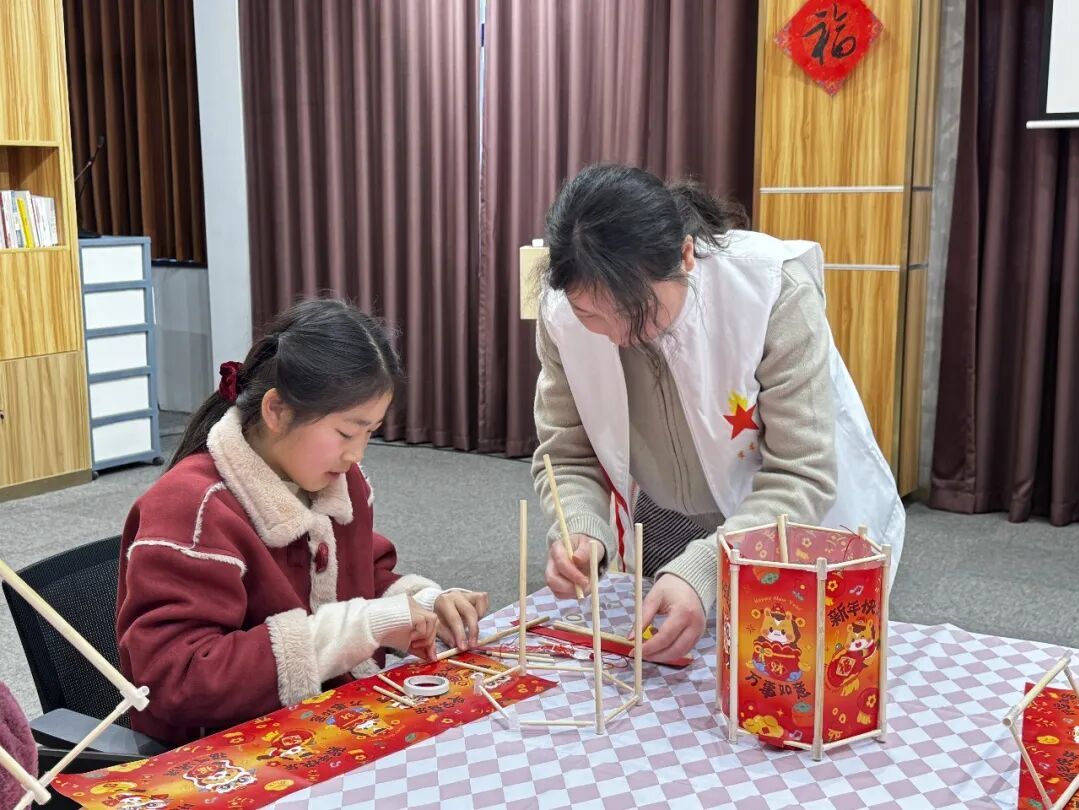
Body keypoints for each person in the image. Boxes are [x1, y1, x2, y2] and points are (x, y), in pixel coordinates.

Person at [532, 164, 904, 663]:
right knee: (676, 677)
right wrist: (579, 526)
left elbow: (803, 472)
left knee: (791, 667)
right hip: (666, 512)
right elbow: (567, 454)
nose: (618, 337)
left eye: (638, 314)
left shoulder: (769, 290)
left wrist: (709, 566)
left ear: (685, 255)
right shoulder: (561, 314)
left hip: (792, 519)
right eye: (591, 315)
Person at [116, 299, 488, 744]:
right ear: (276, 410)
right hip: (229, 754)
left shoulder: (339, 483)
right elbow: (179, 679)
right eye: (346, 433)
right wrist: (360, 626)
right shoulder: (192, 508)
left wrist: (423, 604)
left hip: (328, 724)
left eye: (369, 433)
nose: (356, 454)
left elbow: (361, 577)